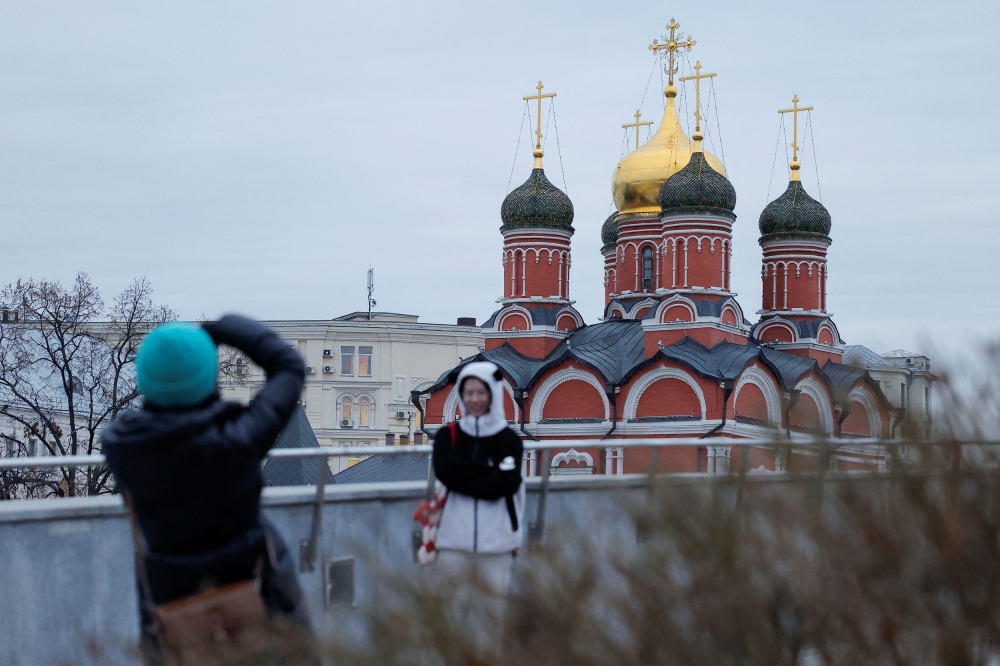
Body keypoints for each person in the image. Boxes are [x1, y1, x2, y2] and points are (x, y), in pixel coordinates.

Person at [103, 314, 313, 661]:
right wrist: (224, 328)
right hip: (259, 606)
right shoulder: (237, 440)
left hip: (171, 618)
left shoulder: (123, 448)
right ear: (209, 378)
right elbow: (289, 366)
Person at [432, 361, 525, 597]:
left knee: (491, 617)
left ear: (492, 394)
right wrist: (488, 470)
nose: (474, 399)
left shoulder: (508, 440)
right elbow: (444, 472)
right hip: (453, 540)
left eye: (481, 393)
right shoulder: (448, 436)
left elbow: (506, 483)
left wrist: (463, 474)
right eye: (469, 393)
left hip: (497, 542)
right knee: (448, 616)